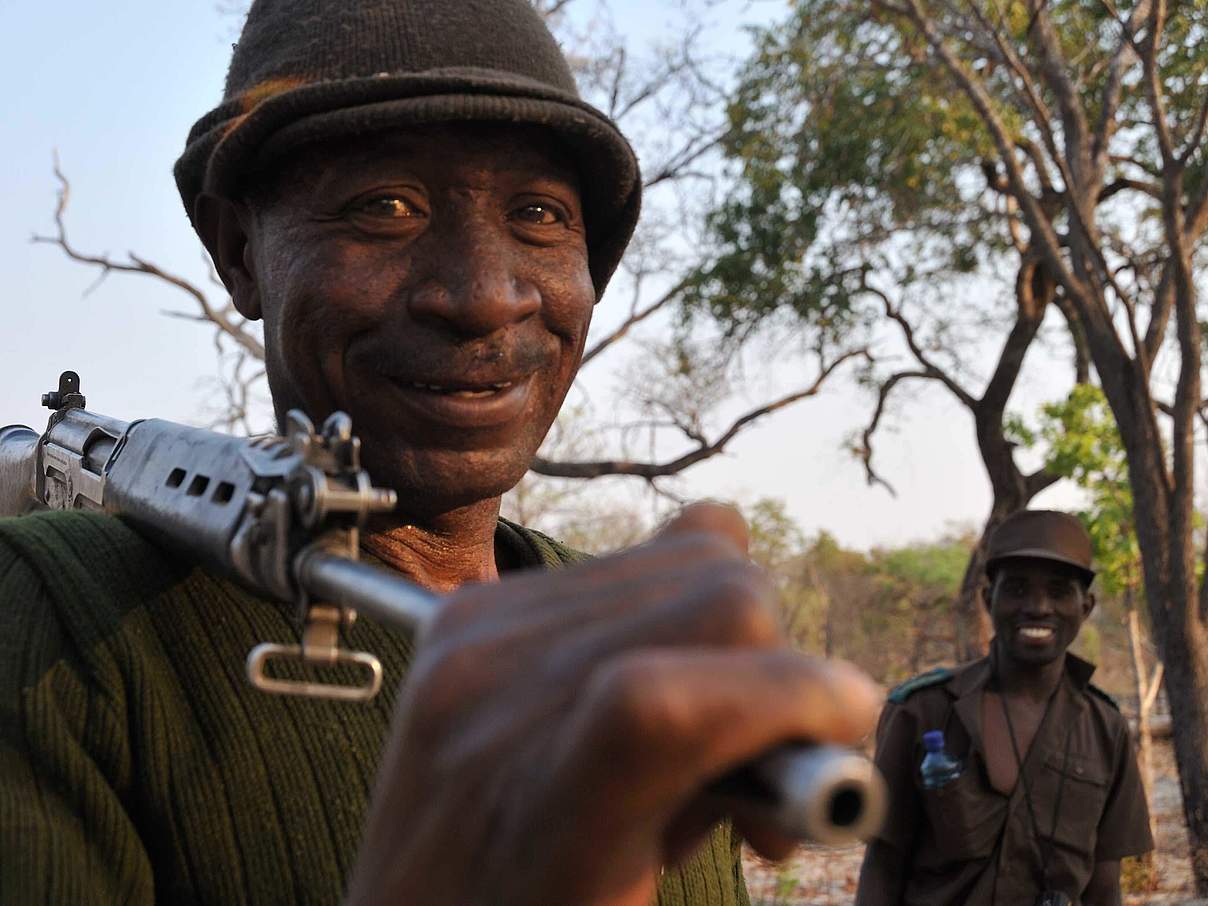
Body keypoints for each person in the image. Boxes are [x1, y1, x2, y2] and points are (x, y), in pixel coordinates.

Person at [0, 2, 881, 904]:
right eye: (384, 206)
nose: (482, 296)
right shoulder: (52, 622)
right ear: (240, 251)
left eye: (539, 214)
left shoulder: (645, 656)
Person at [855, 509, 1153, 905]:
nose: (1038, 607)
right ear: (987, 599)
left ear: (1085, 606)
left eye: (1059, 591)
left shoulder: (1106, 728)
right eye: (1016, 589)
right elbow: (882, 866)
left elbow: (1104, 885)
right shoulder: (923, 710)